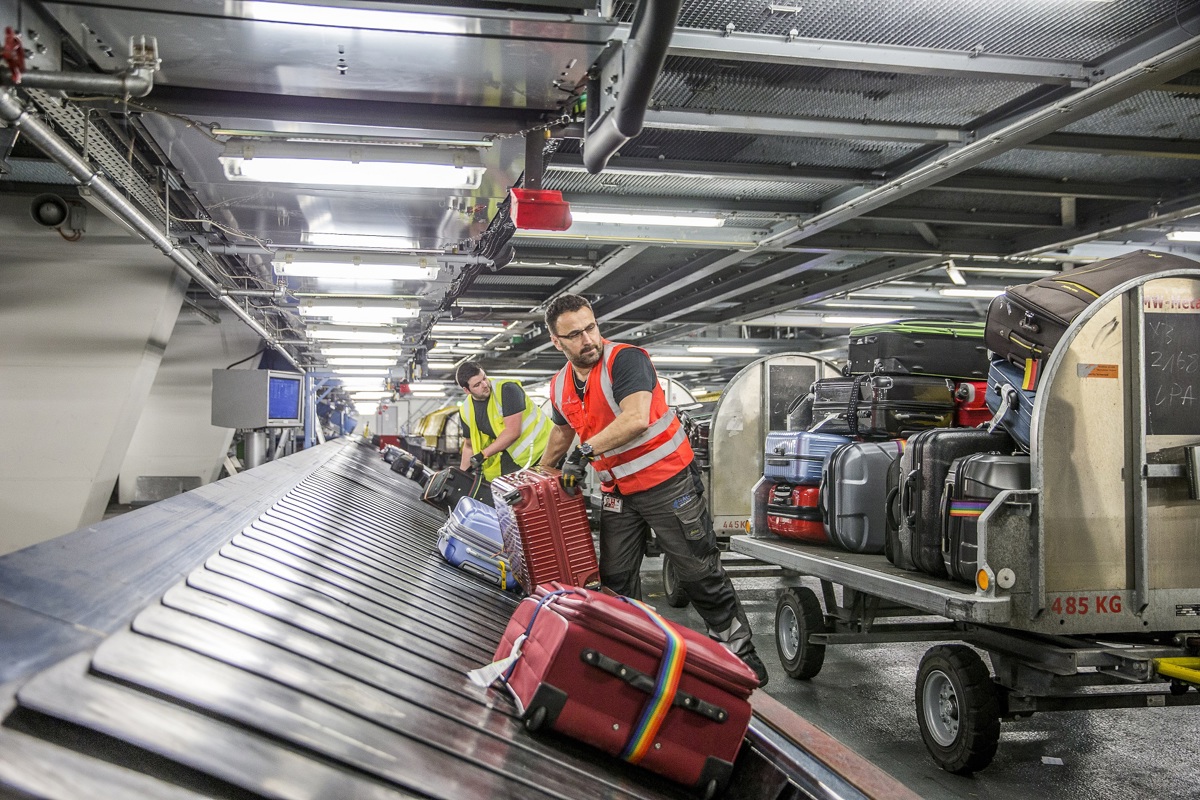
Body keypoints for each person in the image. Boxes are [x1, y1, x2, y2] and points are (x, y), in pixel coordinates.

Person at [538, 293, 769, 686]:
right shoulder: (560, 384)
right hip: (617, 492)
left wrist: (586, 452)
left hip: (667, 483)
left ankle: (740, 653)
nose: (588, 339)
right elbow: (562, 431)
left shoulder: (625, 360)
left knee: (697, 570)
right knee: (616, 577)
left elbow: (636, 418)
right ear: (557, 342)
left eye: (591, 327)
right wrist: (542, 470)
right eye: (575, 335)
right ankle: (637, 652)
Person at [456, 361, 552, 480]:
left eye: (484, 378)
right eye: (477, 385)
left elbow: (513, 432)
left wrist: (483, 454)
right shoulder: (466, 410)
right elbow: (469, 446)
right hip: (516, 457)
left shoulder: (507, 390)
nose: (485, 385)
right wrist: (461, 477)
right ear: (467, 390)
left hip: (545, 449)